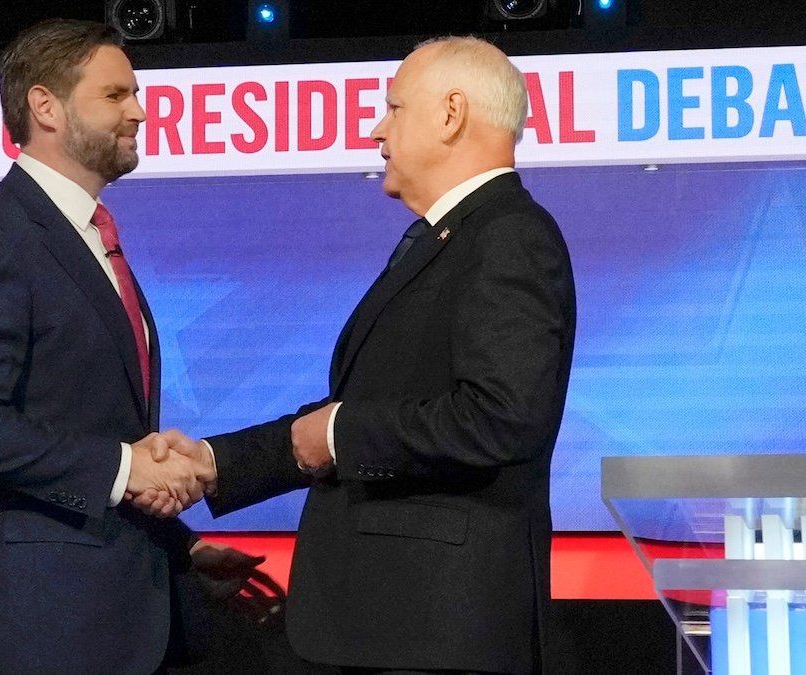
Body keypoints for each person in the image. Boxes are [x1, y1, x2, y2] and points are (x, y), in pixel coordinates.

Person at [138, 36, 576, 674]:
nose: (377, 129)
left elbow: (501, 418)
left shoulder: (507, 237)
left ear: (451, 114)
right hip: (401, 628)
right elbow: (364, 408)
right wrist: (215, 462)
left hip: (437, 632)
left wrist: (341, 433)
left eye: (394, 108)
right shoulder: (453, 239)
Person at [0, 19, 250, 674]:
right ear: (45, 105)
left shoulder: (91, 237)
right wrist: (128, 469)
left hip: (114, 616)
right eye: (116, 95)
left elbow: (87, 426)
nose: (140, 111)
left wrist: (177, 546)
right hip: (44, 629)